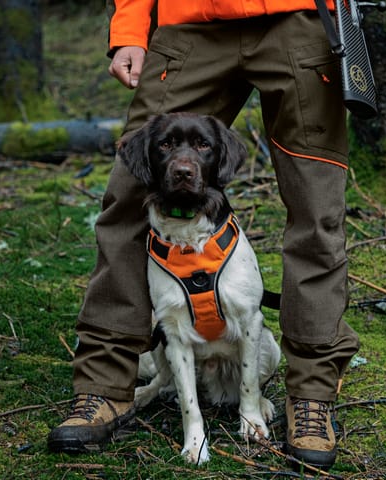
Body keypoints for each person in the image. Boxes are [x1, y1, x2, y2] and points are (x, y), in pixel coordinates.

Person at [47, 0, 360, 469]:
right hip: (189, 20)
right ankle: (104, 385)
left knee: (318, 212)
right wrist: (130, 29)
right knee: (130, 198)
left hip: (302, 17)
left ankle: (312, 396)